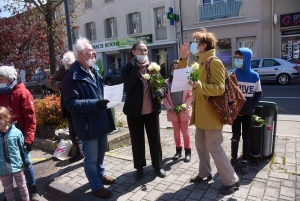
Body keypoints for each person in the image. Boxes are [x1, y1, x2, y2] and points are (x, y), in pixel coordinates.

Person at [178, 28, 239, 195]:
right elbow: (185, 78)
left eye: (196, 42)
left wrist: (200, 86)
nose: (193, 45)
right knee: (200, 145)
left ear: (203, 45)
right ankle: (204, 173)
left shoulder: (214, 62)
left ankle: (231, 180)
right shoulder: (199, 61)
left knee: (214, 147)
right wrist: (184, 59)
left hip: (211, 114)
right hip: (201, 113)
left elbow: (219, 88)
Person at [62, 37, 116, 199]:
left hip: (101, 121)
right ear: (81, 54)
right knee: (91, 158)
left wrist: (111, 95)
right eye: (91, 50)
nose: (95, 52)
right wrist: (96, 103)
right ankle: (96, 186)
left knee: (100, 154)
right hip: (87, 125)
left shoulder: (94, 71)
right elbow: (71, 104)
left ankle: (100, 174)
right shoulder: (71, 77)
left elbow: (100, 92)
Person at [122, 41, 168, 181]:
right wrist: (136, 69)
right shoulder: (128, 69)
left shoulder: (153, 68)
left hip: (151, 112)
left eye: (145, 50)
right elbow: (127, 87)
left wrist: (162, 91)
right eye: (140, 50)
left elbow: (163, 86)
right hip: (134, 113)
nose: (143, 53)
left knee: (155, 141)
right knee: (137, 142)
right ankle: (140, 168)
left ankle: (157, 166)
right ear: (133, 52)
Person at [0, 66, 40, 201]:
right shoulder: (1, 93)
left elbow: (30, 118)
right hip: (4, 136)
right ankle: (9, 192)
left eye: (1, 79)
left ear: (10, 79)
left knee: (26, 163)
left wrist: (28, 139)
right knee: (6, 164)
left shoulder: (23, 93)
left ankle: (32, 188)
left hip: (19, 137)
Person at [230, 48, 262, 174]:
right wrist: (231, 105)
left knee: (247, 136)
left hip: (248, 113)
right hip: (236, 113)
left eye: (240, 58)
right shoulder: (234, 74)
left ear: (247, 59)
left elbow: (258, 94)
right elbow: (228, 93)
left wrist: (252, 105)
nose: (238, 60)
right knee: (235, 136)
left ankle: (244, 160)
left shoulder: (254, 76)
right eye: (236, 57)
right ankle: (233, 158)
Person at [50, 51, 84, 163]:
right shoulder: (62, 69)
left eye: (71, 66)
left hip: (81, 103)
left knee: (83, 130)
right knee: (73, 131)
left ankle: (87, 153)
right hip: (68, 104)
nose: (70, 68)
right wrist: (62, 85)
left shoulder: (81, 67)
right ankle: (79, 153)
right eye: (68, 66)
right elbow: (52, 81)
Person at [162, 60, 192, 162]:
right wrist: (169, 107)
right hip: (173, 111)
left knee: (185, 132)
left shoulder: (186, 81)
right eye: (173, 68)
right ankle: (178, 151)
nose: (175, 70)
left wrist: (185, 105)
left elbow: (190, 95)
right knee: (176, 132)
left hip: (184, 110)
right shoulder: (166, 82)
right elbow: (164, 98)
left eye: (177, 68)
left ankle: (188, 152)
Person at [0, 106, 31, 201]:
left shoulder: (16, 133)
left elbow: (23, 149)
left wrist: (26, 161)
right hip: (2, 168)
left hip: (17, 165)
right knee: (8, 189)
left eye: (0, 118)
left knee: (22, 186)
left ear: (7, 118)